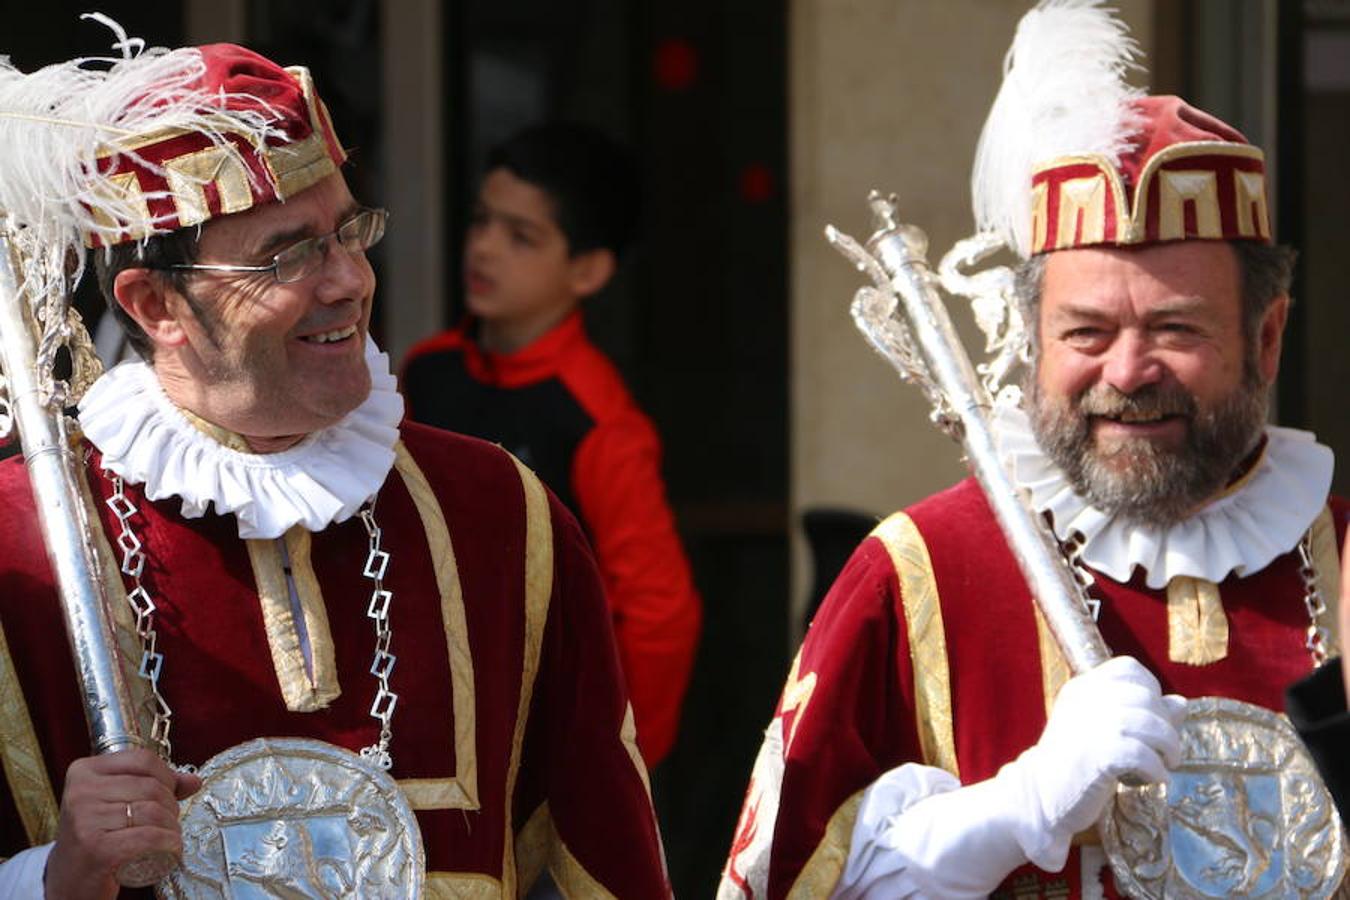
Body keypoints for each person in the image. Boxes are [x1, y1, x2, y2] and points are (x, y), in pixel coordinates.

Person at [0, 35, 669, 898]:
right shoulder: (19, 554)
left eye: (351, 231)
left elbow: (611, 867)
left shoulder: (501, 515)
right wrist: (49, 878)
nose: (350, 279)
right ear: (156, 304)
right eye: (289, 254)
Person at [719, 3, 1345, 897]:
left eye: (1175, 328)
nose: (1127, 372)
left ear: (1269, 339)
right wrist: (1014, 811)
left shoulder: (1347, 565)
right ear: (1032, 336)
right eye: (1086, 330)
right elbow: (780, 881)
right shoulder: (917, 575)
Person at [401, 122, 701, 768]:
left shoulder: (598, 420)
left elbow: (658, 613)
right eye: (482, 221)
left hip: (543, 749)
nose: (483, 248)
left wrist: (620, 766)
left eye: (521, 236)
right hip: (429, 720)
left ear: (587, 269)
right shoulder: (427, 372)